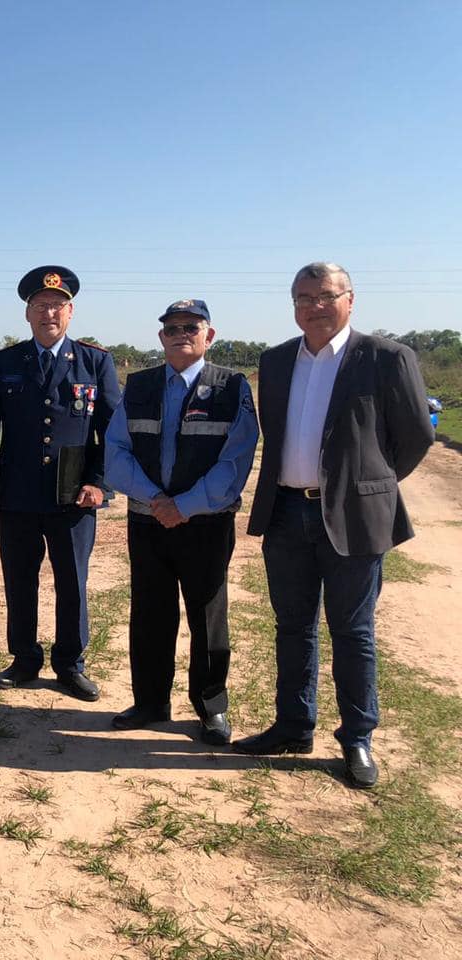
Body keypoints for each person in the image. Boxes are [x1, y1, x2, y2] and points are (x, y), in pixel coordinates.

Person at [235, 263, 434, 789]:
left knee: (352, 630)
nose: (314, 306)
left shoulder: (388, 358)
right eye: (303, 298)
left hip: (352, 518)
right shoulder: (276, 361)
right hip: (286, 513)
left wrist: (369, 483)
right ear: (292, 305)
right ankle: (294, 725)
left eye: (325, 296)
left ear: (350, 299)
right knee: (292, 626)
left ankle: (357, 738)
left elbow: (414, 438)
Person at [104, 299, 258, 745]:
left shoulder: (231, 387)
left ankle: (210, 708)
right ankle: (150, 702)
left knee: (208, 617)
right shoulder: (138, 386)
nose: (180, 333)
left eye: (191, 326)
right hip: (149, 520)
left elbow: (235, 461)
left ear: (209, 336)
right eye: (171, 327)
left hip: (205, 524)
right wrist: (156, 500)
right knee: (150, 614)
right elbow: (115, 452)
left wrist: (185, 505)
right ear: (160, 337)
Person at [0, 266, 120, 701]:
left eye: (56, 306)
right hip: (17, 493)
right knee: (20, 579)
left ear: (70, 312)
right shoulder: (7, 362)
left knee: (71, 581)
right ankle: (23, 659)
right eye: (40, 306)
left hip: (73, 497)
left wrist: (99, 483)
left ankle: (70, 664)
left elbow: (113, 432)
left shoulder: (96, 361)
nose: (48, 313)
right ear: (27, 314)